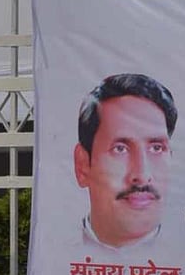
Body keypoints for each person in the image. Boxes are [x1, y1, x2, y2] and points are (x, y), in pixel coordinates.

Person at [73, 73, 177, 249]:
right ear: (83, 165)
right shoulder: (53, 254)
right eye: (120, 149)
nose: (142, 176)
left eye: (156, 148)